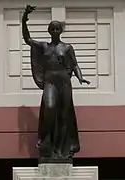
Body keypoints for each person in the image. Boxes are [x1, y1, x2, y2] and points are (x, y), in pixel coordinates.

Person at [22, 5, 90, 159]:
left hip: (64, 83)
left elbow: (74, 65)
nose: (54, 31)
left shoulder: (67, 48)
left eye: (57, 29)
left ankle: (61, 149)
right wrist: (24, 19)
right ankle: (44, 141)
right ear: (49, 31)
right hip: (50, 82)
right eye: (52, 29)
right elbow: (27, 39)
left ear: (60, 31)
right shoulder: (44, 46)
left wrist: (80, 77)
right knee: (50, 107)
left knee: (64, 116)